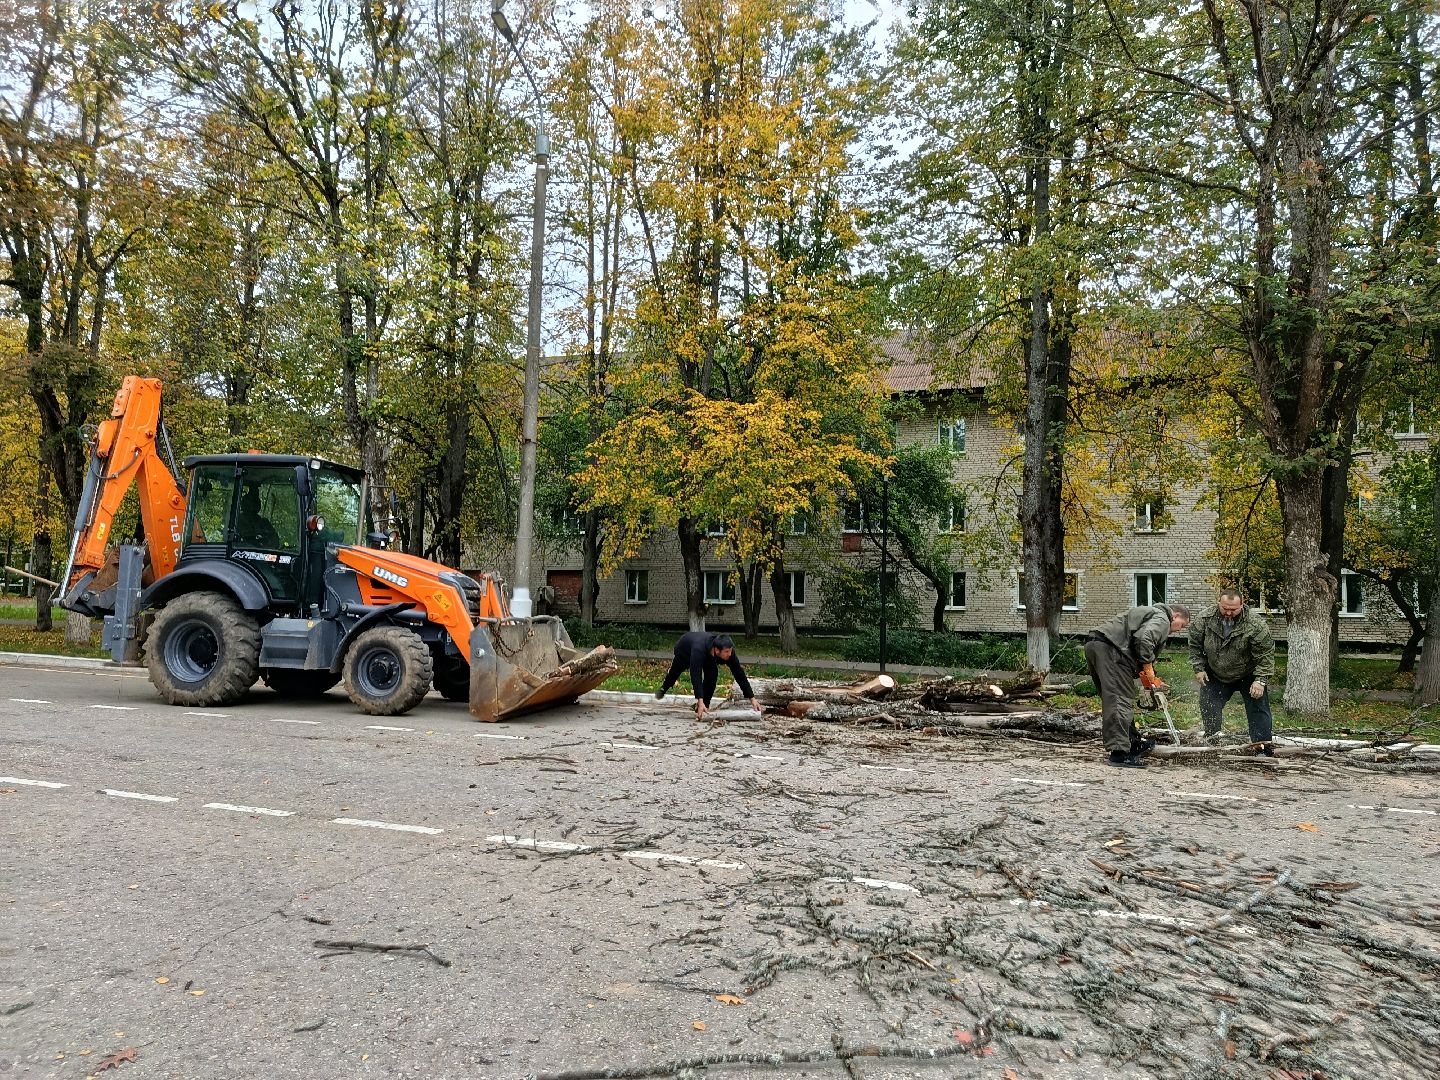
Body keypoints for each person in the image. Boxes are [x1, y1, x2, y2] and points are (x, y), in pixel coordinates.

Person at [1084, 602, 1191, 768]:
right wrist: (1148, 666)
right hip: (1111, 650)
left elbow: (1137, 643)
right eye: (1181, 625)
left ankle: (1132, 743)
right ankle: (1119, 753)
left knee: (1118, 698)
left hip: (1101, 647)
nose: (1179, 630)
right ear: (1175, 616)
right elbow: (1144, 640)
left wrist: (1152, 679)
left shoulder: (1151, 614)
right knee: (1119, 700)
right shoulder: (1163, 618)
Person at [1188, 588, 1276, 756]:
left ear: (1242, 605)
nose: (1228, 612)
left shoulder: (1255, 624)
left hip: (1248, 673)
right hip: (1216, 672)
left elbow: (1265, 654)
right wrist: (1199, 668)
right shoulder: (1204, 619)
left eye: (1233, 609)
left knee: (1258, 709)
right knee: (1209, 705)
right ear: (1219, 603)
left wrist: (1261, 680)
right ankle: (1212, 743)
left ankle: (1262, 748)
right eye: (1225, 608)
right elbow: (1194, 645)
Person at [655, 631, 762, 721]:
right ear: (717, 650)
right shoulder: (699, 649)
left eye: (730, 651)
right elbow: (695, 675)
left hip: (707, 655)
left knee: (712, 676)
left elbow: (739, 673)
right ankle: (664, 688)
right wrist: (699, 699)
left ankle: (704, 706)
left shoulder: (728, 653)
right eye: (727, 652)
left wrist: (752, 698)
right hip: (684, 650)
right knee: (675, 671)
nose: (729, 654)